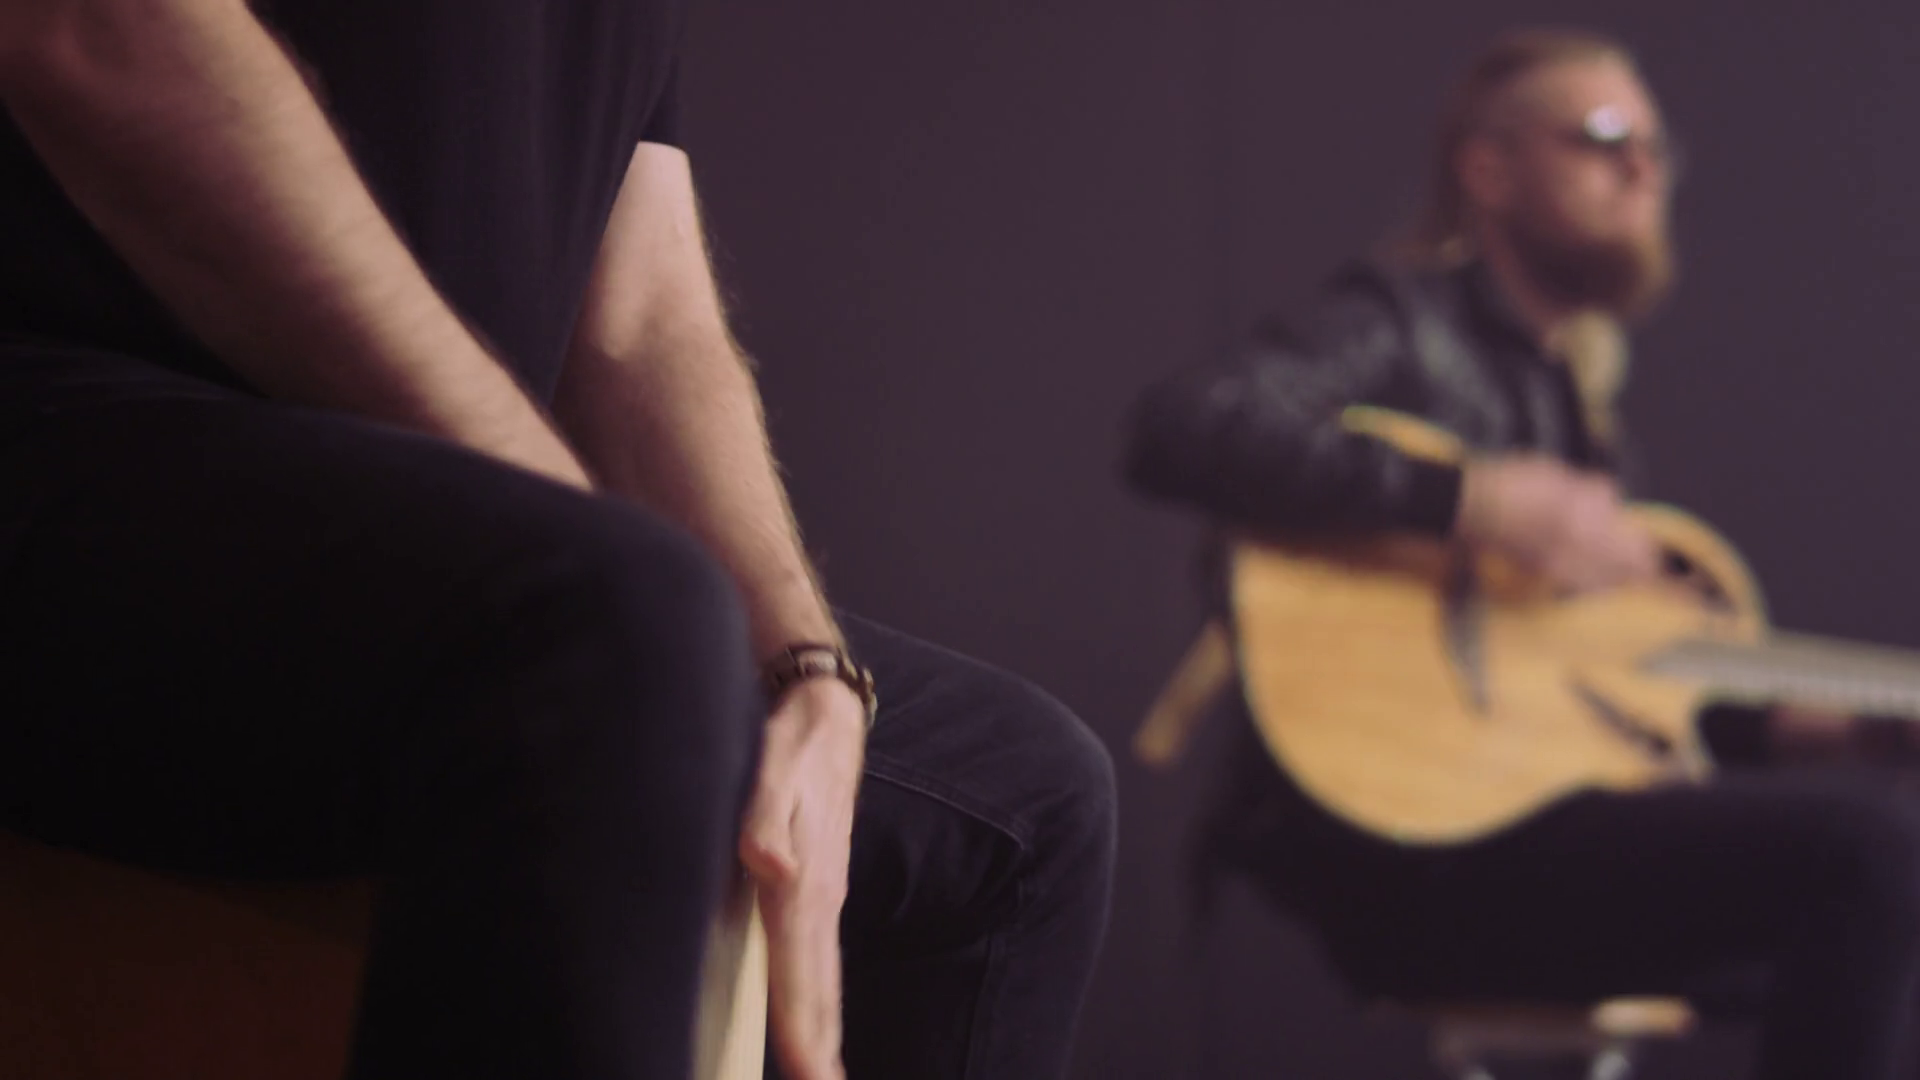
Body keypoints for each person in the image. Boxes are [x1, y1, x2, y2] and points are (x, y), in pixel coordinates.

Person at [0, 3, 1115, 1079]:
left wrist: (804, 665)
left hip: (403, 531)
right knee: (616, 634)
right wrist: (578, 535)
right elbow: (103, 32)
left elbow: (637, 314)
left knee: (1014, 802)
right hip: (60, 423)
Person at [1125, 27, 1920, 1080]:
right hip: (1414, 849)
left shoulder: (1578, 405)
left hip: (1542, 826)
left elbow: (1596, 696)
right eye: (1600, 136)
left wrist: (1824, 733)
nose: (1641, 166)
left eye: (1653, 145)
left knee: (1871, 898)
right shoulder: (1400, 320)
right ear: (1489, 169)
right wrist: (1475, 498)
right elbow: (1183, 426)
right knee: (1869, 856)